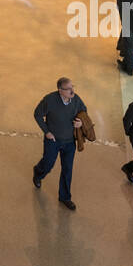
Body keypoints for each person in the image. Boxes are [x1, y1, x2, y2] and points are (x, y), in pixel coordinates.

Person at [32, 77, 88, 211]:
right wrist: (46, 131)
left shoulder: (76, 99)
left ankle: (65, 197)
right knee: (48, 164)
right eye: (68, 89)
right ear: (60, 90)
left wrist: (80, 122)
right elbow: (37, 114)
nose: (72, 91)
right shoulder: (50, 100)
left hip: (70, 142)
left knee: (67, 169)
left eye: (72, 87)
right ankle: (38, 173)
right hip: (53, 140)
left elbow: (84, 110)